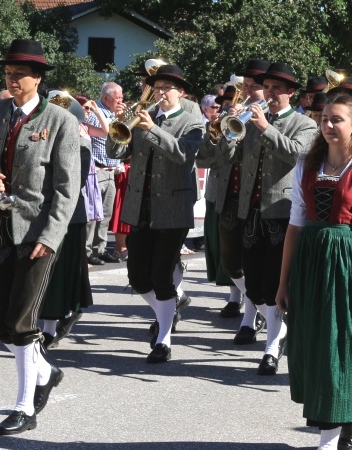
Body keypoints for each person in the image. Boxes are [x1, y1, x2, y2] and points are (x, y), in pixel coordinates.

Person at [0, 39, 80, 435]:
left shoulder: (60, 121)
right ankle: (46, 371)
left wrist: (52, 236)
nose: (12, 80)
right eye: (8, 74)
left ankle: (23, 408)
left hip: (37, 231)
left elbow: (67, 188)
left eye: (19, 75)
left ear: (37, 79)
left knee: (21, 321)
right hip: (1, 226)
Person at [276, 93, 352, 450]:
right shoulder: (306, 164)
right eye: (324, 119)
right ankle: (338, 426)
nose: (327, 125)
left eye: (336, 119)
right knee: (314, 347)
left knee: (339, 347)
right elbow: (295, 224)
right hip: (310, 263)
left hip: (347, 265)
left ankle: (330, 438)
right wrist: (283, 283)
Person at [107, 64, 203, 364]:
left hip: (173, 207)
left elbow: (183, 154)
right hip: (141, 206)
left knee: (162, 274)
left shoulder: (192, 121)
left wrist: (153, 129)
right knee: (137, 277)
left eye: (166, 89)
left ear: (180, 92)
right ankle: (169, 308)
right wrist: (119, 125)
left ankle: (163, 339)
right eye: (157, 88)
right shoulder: (142, 117)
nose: (160, 94)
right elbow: (115, 152)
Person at [230, 62, 318, 376]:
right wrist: (224, 134)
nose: (270, 93)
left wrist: (267, 128)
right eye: (267, 87)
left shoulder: (304, 123)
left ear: (291, 93)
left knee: (275, 284)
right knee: (253, 284)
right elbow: (235, 159)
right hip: (252, 211)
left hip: (283, 213)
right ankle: (280, 333)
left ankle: (271, 348)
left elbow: (299, 156)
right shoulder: (252, 121)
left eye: (277, 88)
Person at [200, 59, 268, 324]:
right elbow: (209, 158)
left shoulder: (268, 117)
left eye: (253, 87)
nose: (248, 91)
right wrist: (223, 124)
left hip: (255, 199)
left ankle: (251, 320)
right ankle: (260, 309)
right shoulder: (235, 113)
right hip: (230, 194)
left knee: (253, 263)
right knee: (230, 263)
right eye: (245, 86)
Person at [38, 92, 101, 351]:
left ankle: (50, 328)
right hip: (41, 214)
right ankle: (40, 324)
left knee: (59, 275)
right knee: (42, 274)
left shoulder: (81, 146)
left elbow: (73, 182)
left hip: (69, 218)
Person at [86, 82, 122, 265]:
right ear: (106, 97)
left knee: (105, 214)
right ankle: (87, 250)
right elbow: (104, 133)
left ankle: (100, 249)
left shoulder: (115, 114)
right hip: (97, 169)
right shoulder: (94, 114)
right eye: (118, 98)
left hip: (111, 170)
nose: (121, 101)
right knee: (93, 214)